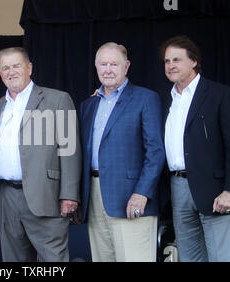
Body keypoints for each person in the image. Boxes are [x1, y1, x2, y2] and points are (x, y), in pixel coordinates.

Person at [0, 47, 81, 262]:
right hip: (5, 197)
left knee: (52, 260)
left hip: (46, 195)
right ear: (0, 74)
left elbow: (70, 150)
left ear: (29, 67)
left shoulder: (57, 100)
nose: (11, 72)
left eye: (16, 65)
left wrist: (69, 194)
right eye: (5, 68)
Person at [160, 35, 230, 262]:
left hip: (215, 190)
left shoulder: (220, 94)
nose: (171, 66)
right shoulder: (166, 99)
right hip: (178, 187)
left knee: (222, 257)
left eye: (177, 60)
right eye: (167, 61)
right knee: (190, 257)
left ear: (194, 61)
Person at [79, 42, 165, 262]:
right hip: (95, 196)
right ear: (96, 67)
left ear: (126, 66)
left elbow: (155, 151)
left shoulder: (145, 98)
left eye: (114, 64)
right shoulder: (88, 105)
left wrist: (142, 193)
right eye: (103, 64)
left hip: (131, 197)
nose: (108, 69)